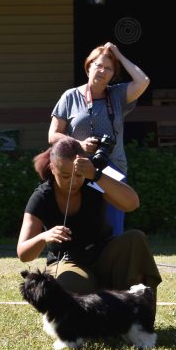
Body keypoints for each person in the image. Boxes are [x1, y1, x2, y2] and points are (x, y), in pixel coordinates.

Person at [17, 136, 162, 296]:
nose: (73, 181)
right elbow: (23, 253)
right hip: (68, 262)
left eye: (78, 175)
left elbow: (132, 204)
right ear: (52, 168)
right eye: (65, 176)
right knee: (69, 283)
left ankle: (140, 310)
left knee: (136, 238)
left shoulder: (94, 180)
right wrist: (44, 237)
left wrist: (95, 174)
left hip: (103, 256)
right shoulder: (42, 197)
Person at [48, 42, 150, 234]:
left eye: (109, 68)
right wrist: (80, 144)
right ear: (89, 67)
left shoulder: (117, 95)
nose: (103, 71)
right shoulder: (70, 96)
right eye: (99, 65)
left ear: (113, 74)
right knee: (83, 225)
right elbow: (53, 135)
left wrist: (118, 54)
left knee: (113, 226)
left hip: (113, 168)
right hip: (79, 169)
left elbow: (143, 81)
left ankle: (114, 253)